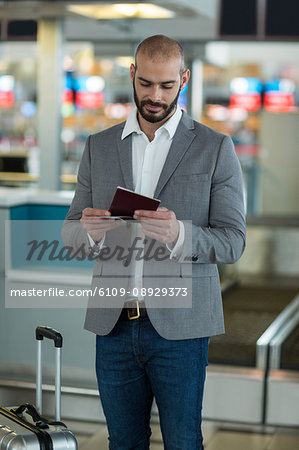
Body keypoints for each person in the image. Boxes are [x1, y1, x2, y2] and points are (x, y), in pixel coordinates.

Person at [63, 35, 246, 450]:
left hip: (180, 329)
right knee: (123, 441)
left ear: (183, 79)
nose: (155, 96)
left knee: (183, 441)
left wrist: (181, 234)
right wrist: (87, 234)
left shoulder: (215, 148)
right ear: (132, 75)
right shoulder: (99, 146)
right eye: (145, 84)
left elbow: (233, 241)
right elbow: (71, 232)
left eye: (166, 86)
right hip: (113, 326)